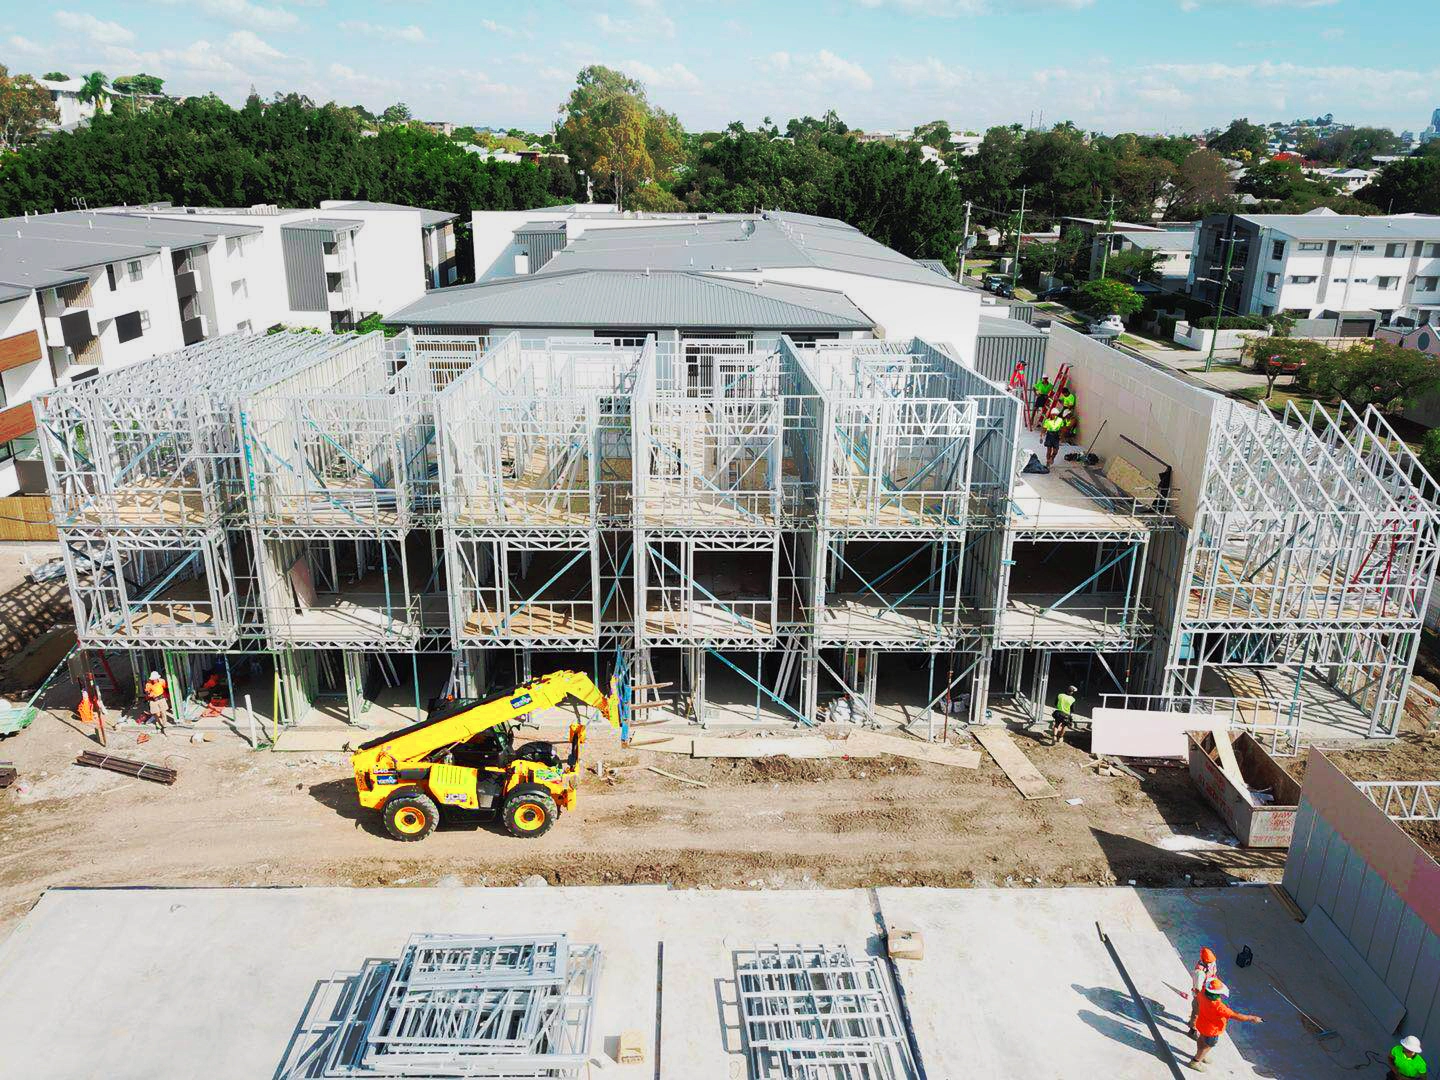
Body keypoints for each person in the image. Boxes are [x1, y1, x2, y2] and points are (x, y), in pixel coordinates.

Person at [1191, 978, 1262, 1071]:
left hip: (1201, 1023)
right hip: (1212, 1030)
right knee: (1207, 1046)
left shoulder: (1202, 994)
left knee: (1201, 1039)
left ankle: (1200, 1054)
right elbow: (1236, 1016)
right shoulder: (1219, 1007)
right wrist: (1252, 1018)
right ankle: (1196, 1061)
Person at [1189, 947, 1218, 1035]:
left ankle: (1192, 1022)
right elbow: (1198, 989)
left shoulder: (1211, 962)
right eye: (1209, 962)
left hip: (1208, 990)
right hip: (1201, 995)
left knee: (1199, 1012)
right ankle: (1192, 1030)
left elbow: (1213, 972)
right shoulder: (1200, 972)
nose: (1211, 963)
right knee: (1197, 1012)